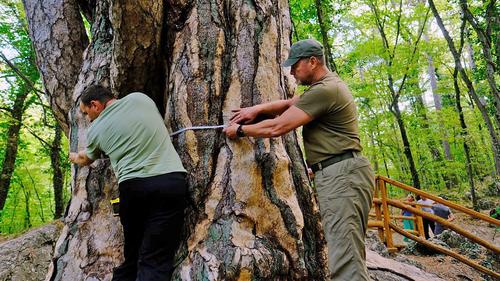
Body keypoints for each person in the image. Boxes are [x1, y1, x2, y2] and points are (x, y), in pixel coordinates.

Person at [224, 39, 374, 280]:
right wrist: (257, 109)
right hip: (340, 174)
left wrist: (240, 131)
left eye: (295, 65)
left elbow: (278, 127)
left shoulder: (325, 91)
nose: (292, 71)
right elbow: (288, 104)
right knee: (347, 252)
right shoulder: (325, 87)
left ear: (313, 62)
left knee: (346, 258)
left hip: (342, 177)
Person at [69, 85, 187, 281]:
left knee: (133, 253)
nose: (88, 118)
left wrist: (73, 157)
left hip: (134, 190)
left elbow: (86, 159)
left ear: (95, 105)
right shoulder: (140, 98)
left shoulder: (95, 130)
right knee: (154, 257)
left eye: (86, 112)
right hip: (169, 182)